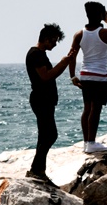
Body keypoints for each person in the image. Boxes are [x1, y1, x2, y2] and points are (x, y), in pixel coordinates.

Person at [25, 23, 75, 184]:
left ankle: (39, 171)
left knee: (45, 135)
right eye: (53, 41)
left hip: (45, 100)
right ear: (46, 39)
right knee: (50, 135)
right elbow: (46, 76)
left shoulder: (39, 54)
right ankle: (36, 170)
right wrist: (64, 63)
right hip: (41, 100)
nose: (54, 44)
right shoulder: (36, 54)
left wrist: (65, 62)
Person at [68, 1, 107, 153]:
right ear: (101, 15)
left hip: (85, 75)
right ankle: (91, 143)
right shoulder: (105, 33)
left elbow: (71, 56)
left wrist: (73, 76)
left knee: (87, 109)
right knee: (95, 109)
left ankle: (87, 142)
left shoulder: (79, 34)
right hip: (99, 77)